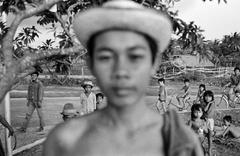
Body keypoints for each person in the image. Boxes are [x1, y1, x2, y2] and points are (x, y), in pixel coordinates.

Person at [43, 1, 204, 156]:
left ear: (154, 62)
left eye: (135, 56)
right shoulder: (64, 142)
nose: (121, 70)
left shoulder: (181, 144)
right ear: (91, 64)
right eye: (106, 57)